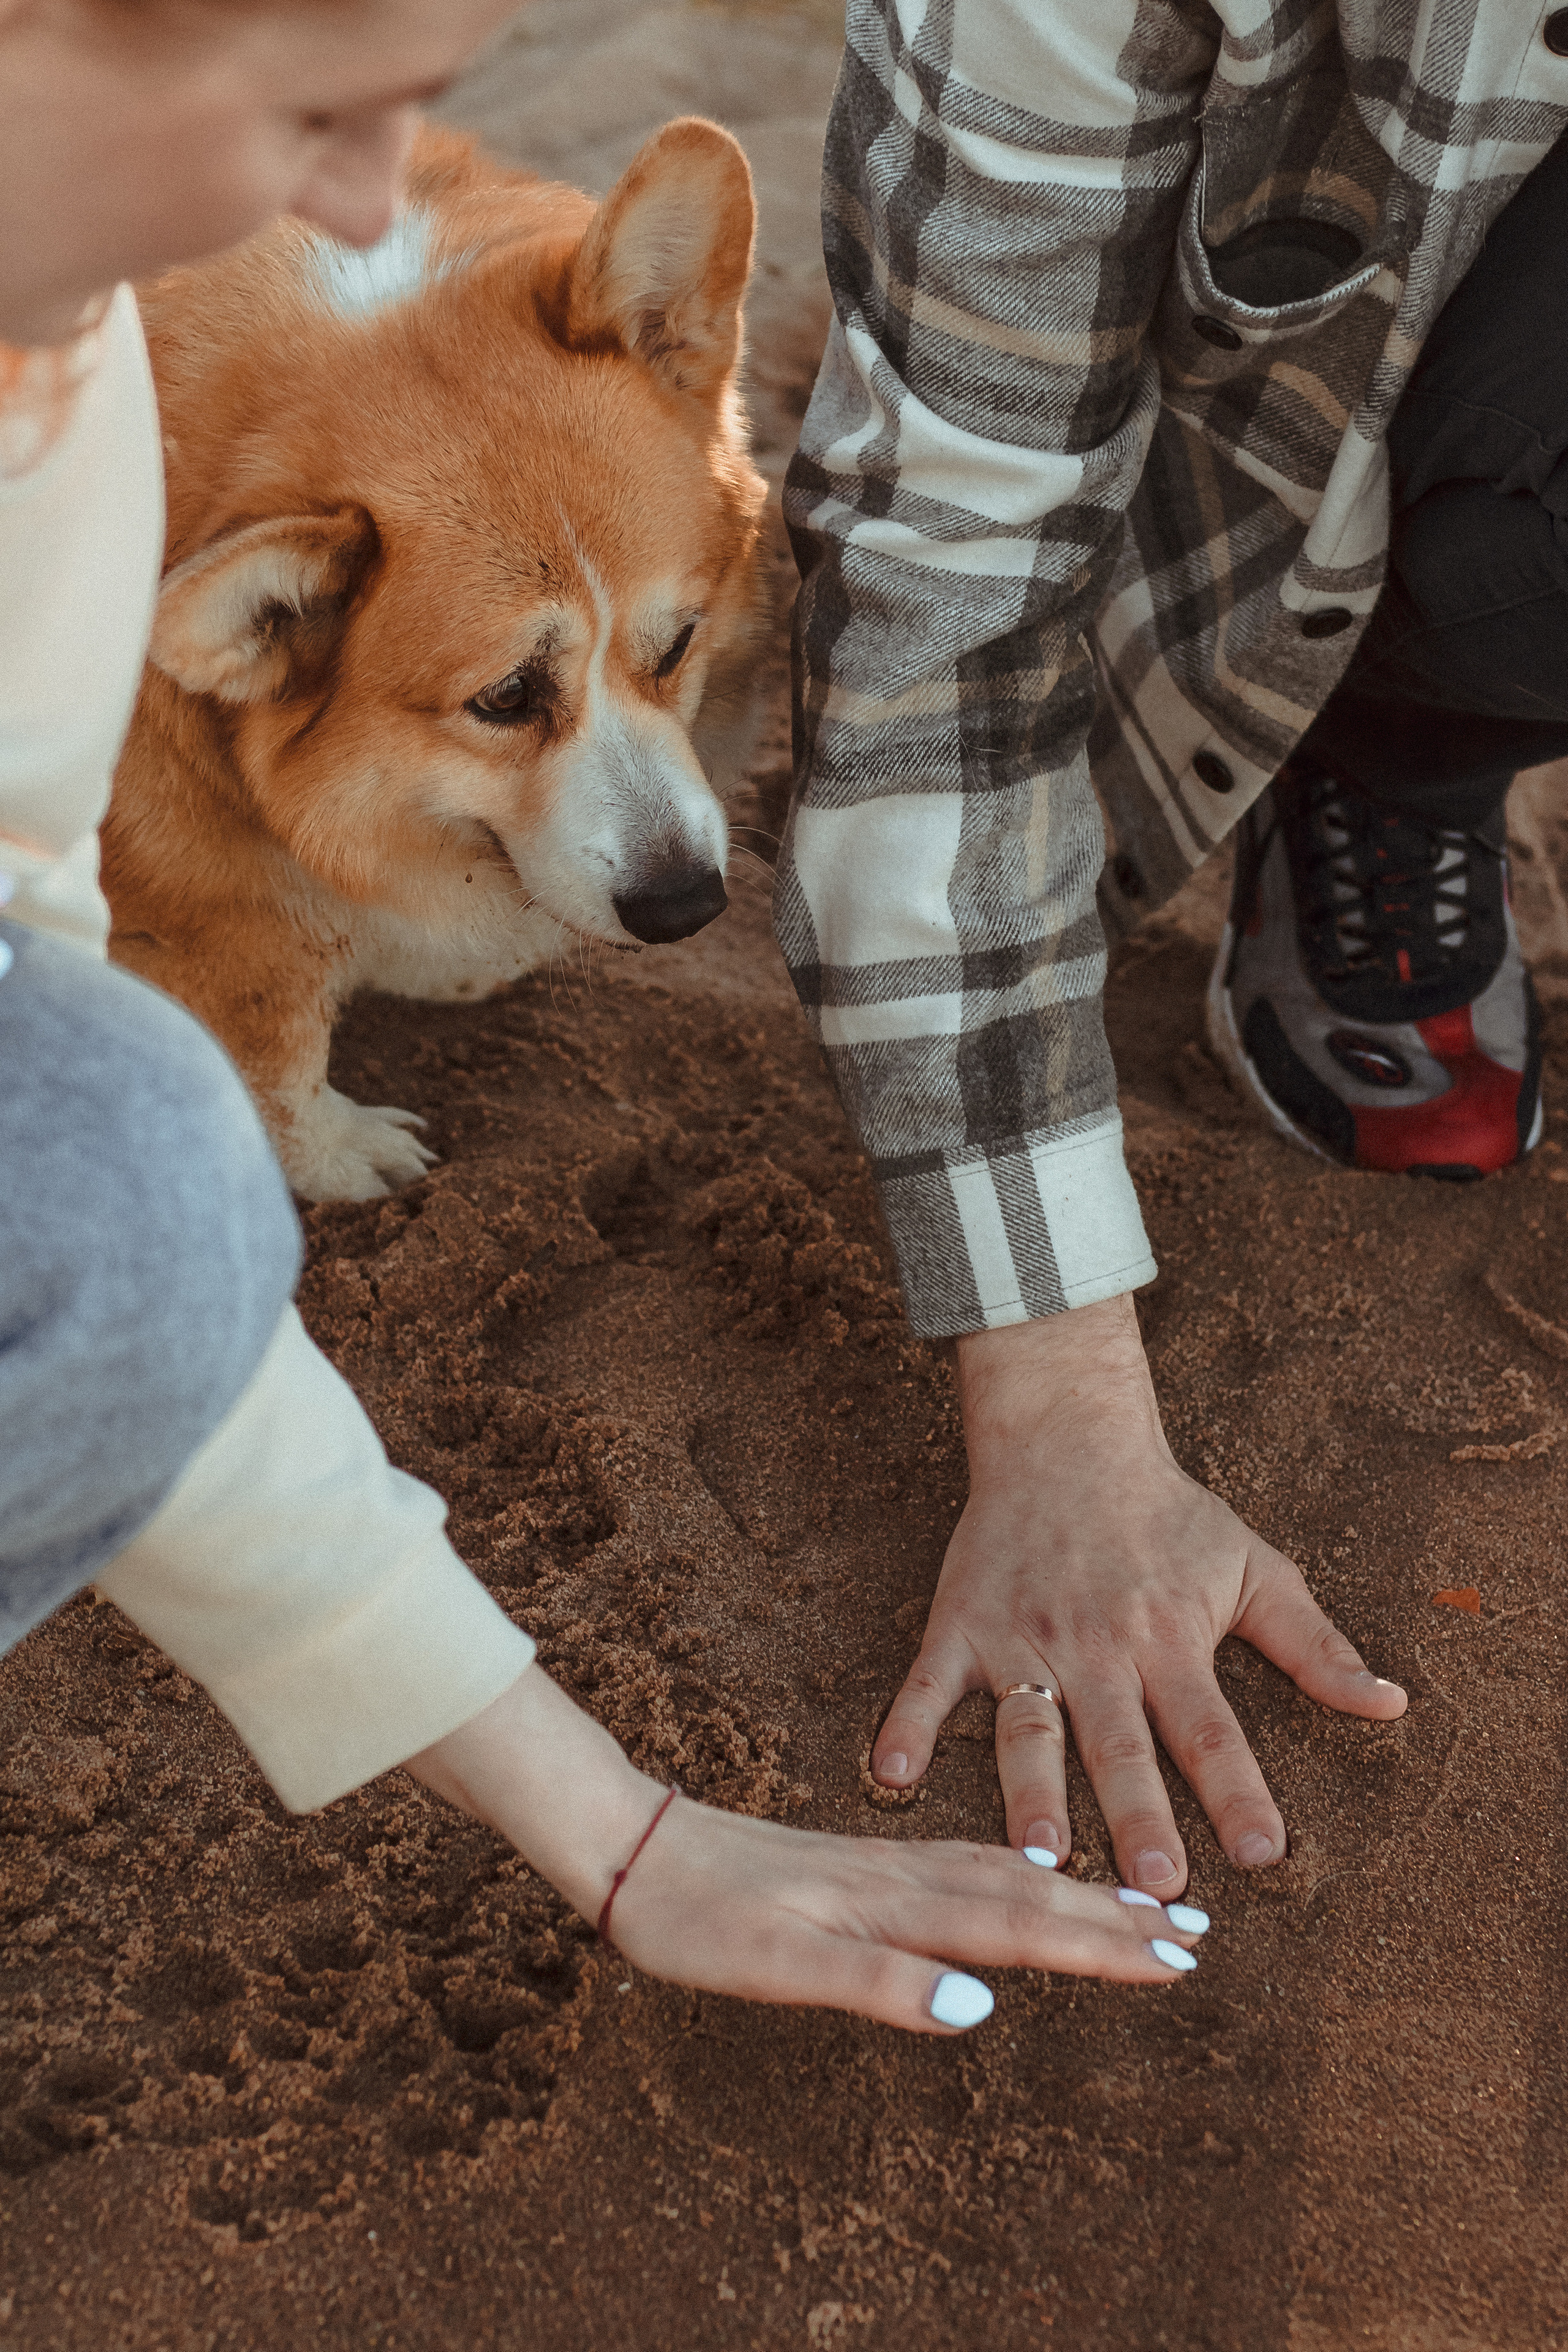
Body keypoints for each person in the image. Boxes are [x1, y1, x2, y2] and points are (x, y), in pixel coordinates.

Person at [0, 0, 1211, 2041]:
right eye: (313, 106)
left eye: (414, 101)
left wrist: (621, 1830)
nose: (374, 181)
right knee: (145, 1150)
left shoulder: (71, 389)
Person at [783, 0, 1568, 1892]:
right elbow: (942, 587)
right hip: (1266, 458)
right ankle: (1368, 704)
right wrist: (1058, 1412)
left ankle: (1428, 706)